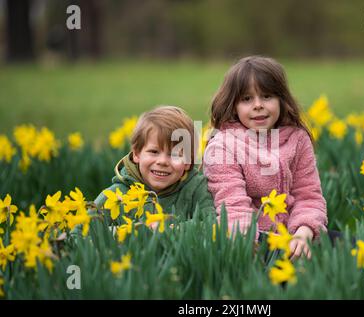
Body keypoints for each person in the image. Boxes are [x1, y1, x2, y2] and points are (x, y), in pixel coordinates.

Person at [203, 56, 328, 260]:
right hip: (251, 240)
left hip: (294, 236)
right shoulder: (223, 146)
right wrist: (246, 243)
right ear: (233, 105)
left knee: (349, 248)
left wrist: (305, 232)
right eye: (246, 99)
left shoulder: (297, 139)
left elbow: (309, 195)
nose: (258, 105)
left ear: (281, 100)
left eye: (267, 96)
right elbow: (232, 206)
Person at [94, 106, 216, 227]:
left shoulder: (196, 189)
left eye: (174, 155)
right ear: (136, 154)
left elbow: (212, 224)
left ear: (188, 162)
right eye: (154, 152)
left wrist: (171, 230)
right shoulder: (116, 195)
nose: (162, 161)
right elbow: (78, 236)